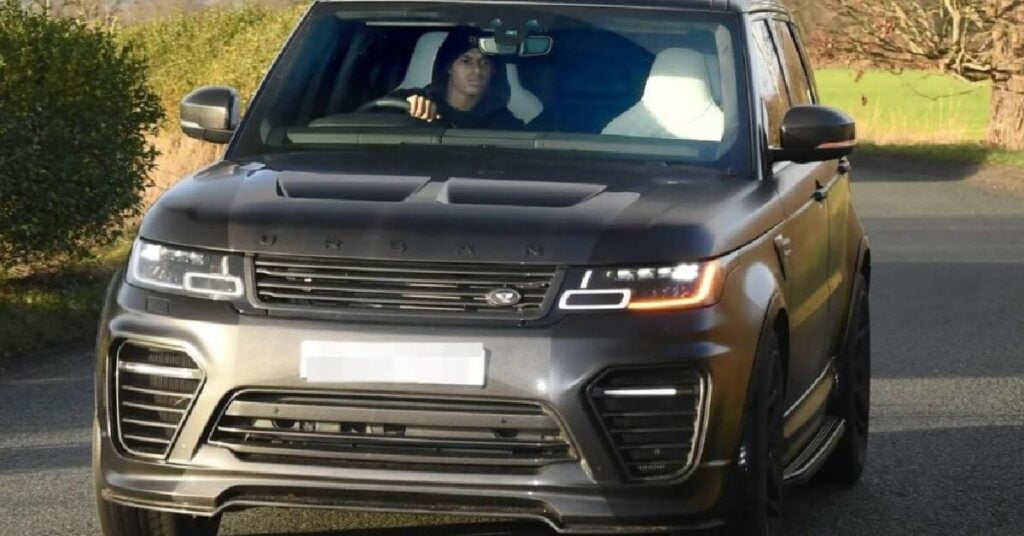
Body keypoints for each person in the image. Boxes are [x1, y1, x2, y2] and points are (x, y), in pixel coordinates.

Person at [390, 29, 524, 130]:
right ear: (448, 66)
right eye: (466, 61)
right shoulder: (411, 103)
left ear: (494, 71)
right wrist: (405, 109)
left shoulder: (503, 124)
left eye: (485, 62)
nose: (476, 70)